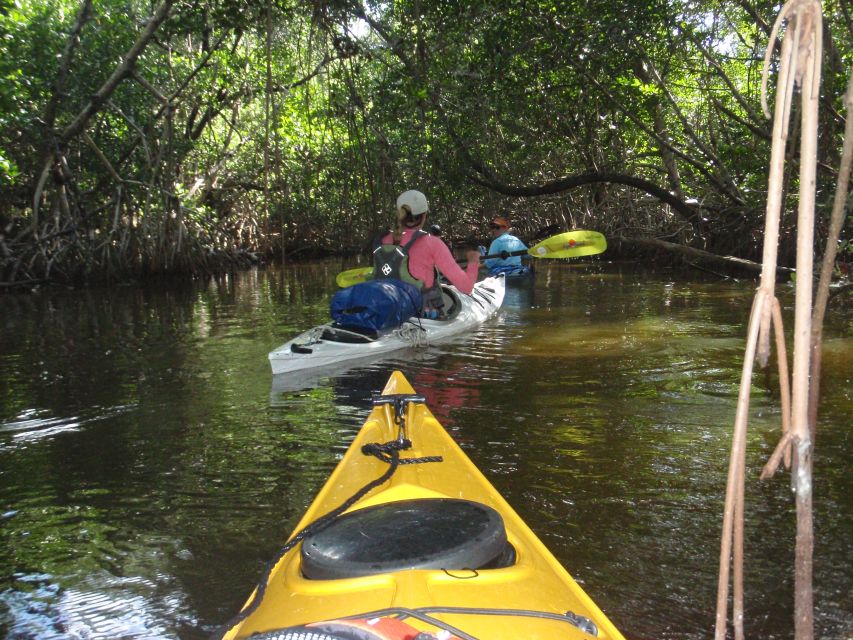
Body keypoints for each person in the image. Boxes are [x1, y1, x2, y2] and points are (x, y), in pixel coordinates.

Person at [374, 190, 481, 316]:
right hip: (421, 315)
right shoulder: (432, 243)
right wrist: (473, 262)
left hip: (386, 309)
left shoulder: (382, 239)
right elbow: (466, 287)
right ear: (424, 215)